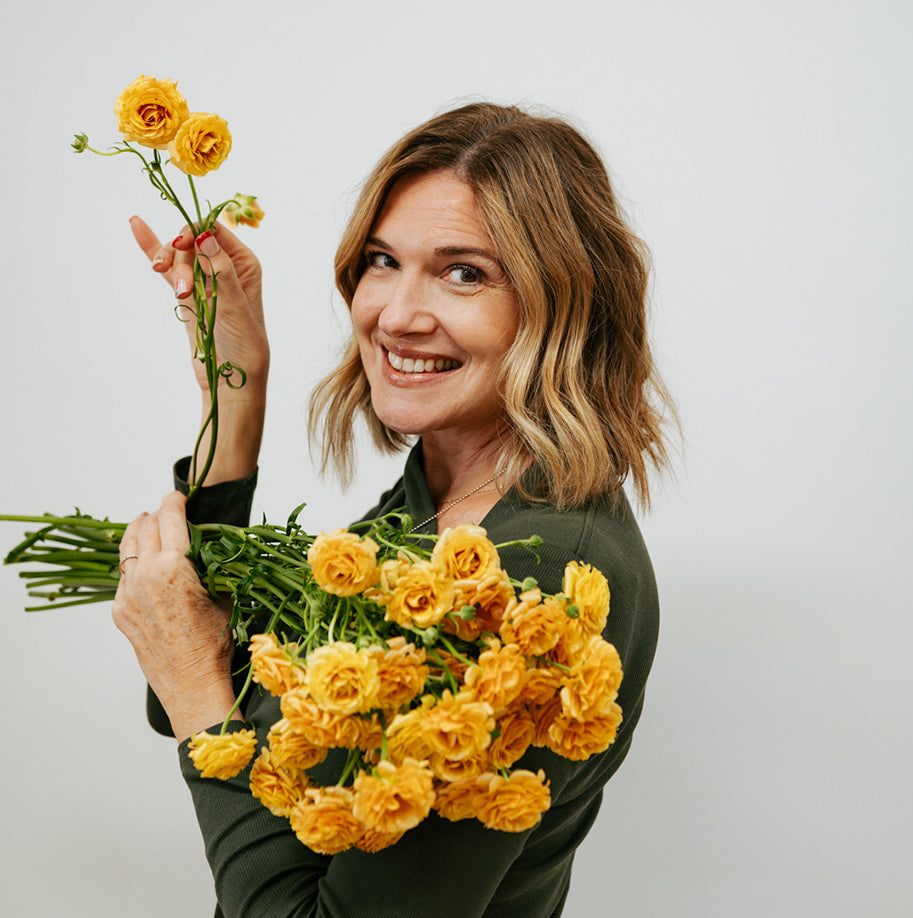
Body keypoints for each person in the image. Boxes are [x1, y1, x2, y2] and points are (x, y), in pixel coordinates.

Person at [112, 102, 672, 918]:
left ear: (562, 306)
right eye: (383, 260)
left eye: (465, 273)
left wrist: (195, 677)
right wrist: (235, 385)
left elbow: (196, 688)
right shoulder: (438, 499)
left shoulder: (534, 576)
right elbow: (210, 692)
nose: (396, 315)